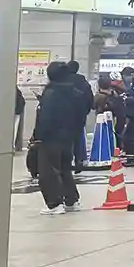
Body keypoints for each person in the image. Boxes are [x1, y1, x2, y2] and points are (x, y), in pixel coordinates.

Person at [33, 60, 89, 213]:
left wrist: (38, 137)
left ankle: (54, 203)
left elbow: (45, 118)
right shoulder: (75, 92)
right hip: (69, 138)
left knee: (48, 171)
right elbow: (81, 115)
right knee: (65, 168)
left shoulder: (50, 93)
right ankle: (71, 200)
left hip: (51, 138)